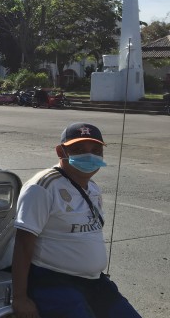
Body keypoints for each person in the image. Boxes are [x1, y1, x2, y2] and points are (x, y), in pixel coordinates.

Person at [11, 123, 141, 318]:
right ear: (60, 151)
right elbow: (23, 243)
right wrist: (19, 298)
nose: (89, 156)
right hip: (54, 282)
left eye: (96, 151)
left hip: (94, 282)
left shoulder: (93, 189)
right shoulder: (42, 186)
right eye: (78, 150)